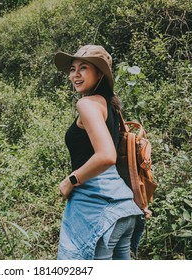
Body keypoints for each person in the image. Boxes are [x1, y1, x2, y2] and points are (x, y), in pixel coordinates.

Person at [54, 45, 143, 260]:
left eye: (83, 68)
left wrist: (71, 180)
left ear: (100, 73)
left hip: (97, 209)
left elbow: (106, 156)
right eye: (73, 68)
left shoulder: (86, 104)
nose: (75, 74)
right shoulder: (109, 105)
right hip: (124, 208)